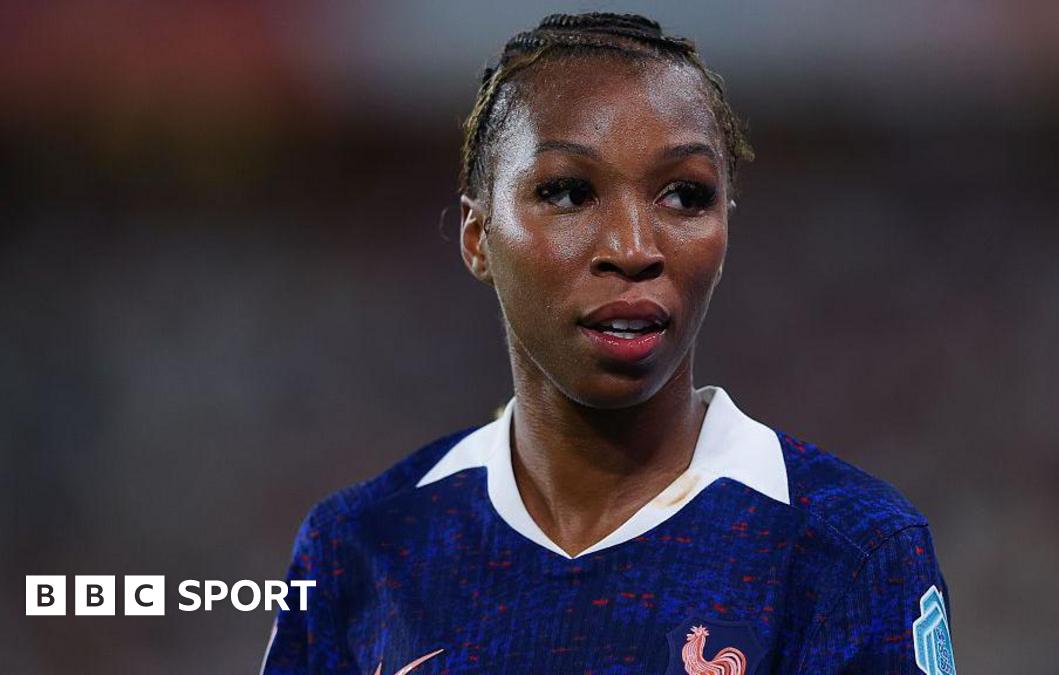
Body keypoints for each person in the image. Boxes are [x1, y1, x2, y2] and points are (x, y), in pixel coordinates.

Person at [262, 12, 955, 675]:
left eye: (684, 196)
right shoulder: (359, 547)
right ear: (478, 237)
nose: (633, 248)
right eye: (568, 192)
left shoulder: (852, 549)